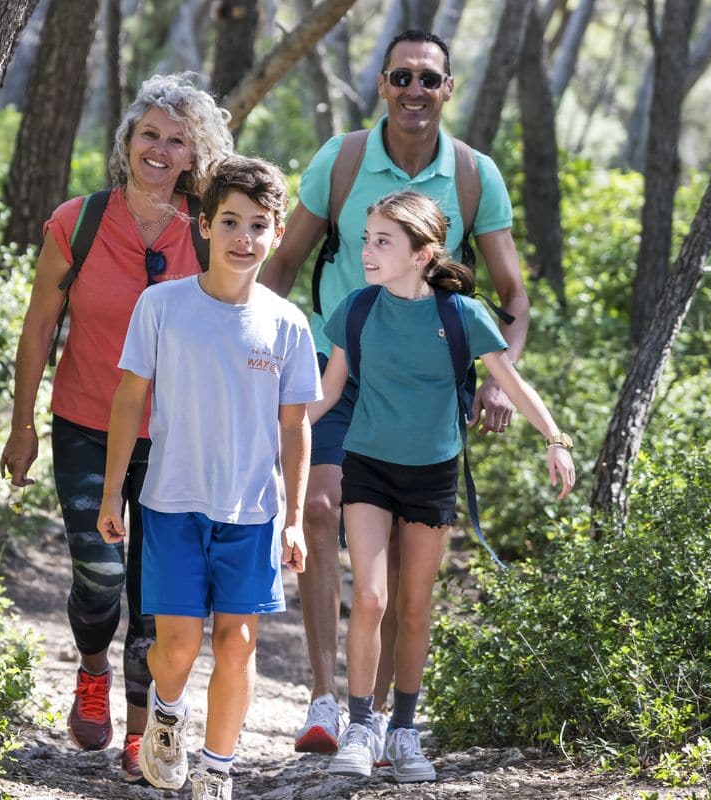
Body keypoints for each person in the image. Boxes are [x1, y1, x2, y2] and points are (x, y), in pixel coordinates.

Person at [255, 29, 535, 753]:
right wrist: (248, 350)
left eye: (428, 79)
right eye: (402, 77)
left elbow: (512, 293)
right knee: (317, 507)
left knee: (408, 574)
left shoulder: (474, 175)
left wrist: (502, 380)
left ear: (448, 91)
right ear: (383, 85)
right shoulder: (343, 160)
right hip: (335, 361)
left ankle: (376, 715)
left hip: (420, 384)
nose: (415, 90)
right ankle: (322, 699)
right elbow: (284, 262)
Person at [0, 72, 235, 783]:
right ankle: (92, 669)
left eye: (177, 141)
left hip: (175, 439)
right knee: (99, 576)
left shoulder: (209, 229)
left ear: (197, 155)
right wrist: (21, 426)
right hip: (85, 424)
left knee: (157, 593)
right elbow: (40, 325)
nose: (160, 151)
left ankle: (140, 737)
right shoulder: (80, 220)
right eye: (149, 136)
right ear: (126, 141)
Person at [312, 191, 575, 782]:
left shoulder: (462, 315)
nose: (368, 250)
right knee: (373, 598)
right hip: (368, 466)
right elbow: (326, 395)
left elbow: (513, 380)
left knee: (413, 607)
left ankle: (403, 732)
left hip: (432, 475)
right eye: (366, 239)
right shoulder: (354, 310)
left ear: (423, 253)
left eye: (383, 241)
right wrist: (275, 437)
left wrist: (557, 438)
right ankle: (360, 727)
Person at [97, 156, 319, 800]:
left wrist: (297, 517)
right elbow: (128, 400)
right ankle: (166, 715)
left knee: (237, 641)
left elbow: (295, 427)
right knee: (175, 645)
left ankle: (217, 769)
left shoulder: (287, 324)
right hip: (169, 503)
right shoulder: (162, 305)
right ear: (203, 225)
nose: (242, 238)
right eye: (229, 222)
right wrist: (114, 490)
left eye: (258, 225)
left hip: (251, 514)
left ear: (277, 234)